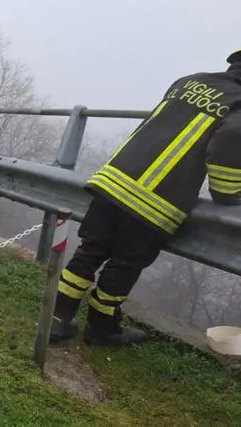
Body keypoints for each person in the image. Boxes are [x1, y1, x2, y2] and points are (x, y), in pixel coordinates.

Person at [51, 49, 241, 347]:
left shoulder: (189, 81)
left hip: (112, 181)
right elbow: (229, 144)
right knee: (124, 265)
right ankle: (102, 329)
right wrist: (228, 194)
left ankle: (57, 319)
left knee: (90, 252)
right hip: (154, 199)